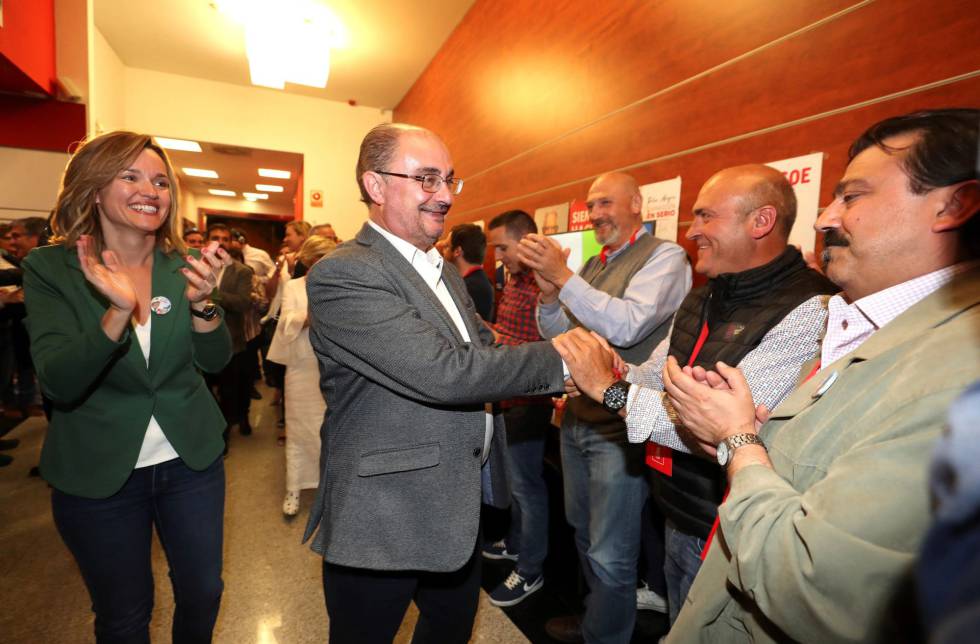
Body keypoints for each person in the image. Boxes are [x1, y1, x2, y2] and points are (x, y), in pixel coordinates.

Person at [657, 109, 980, 642]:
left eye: (852, 197)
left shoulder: (958, 375)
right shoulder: (859, 319)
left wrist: (738, 441)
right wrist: (761, 434)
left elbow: (813, 587)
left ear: (954, 205)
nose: (824, 218)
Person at [303, 122, 566, 644]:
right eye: (426, 180)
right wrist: (562, 362)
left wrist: (558, 372)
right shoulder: (344, 273)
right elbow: (444, 372)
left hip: (454, 505)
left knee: (449, 630)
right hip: (383, 512)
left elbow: (481, 350)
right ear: (375, 186)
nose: (445, 195)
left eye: (449, 179)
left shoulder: (440, 269)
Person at [554, 164, 837, 624]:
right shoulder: (707, 293)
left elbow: (722, 429)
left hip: (732, 530)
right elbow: (657, 371)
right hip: (681, 509)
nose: (692, 231)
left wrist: (608, 391)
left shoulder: (811, 308)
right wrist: (614, 371)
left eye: (706, 217)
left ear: (760, 222)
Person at [21, 130, 233, 642]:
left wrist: (204, 304)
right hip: (100, 473)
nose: (151, 190)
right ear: (93, 189)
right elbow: (59, 381)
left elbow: (215, 361)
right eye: (131, 176)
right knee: (124, 614)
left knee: (203, 592)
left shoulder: (182, 264)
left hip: (190, 461)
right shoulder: (52, 269)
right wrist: (118, 311)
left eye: (161, 181)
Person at [517, 171, 691, 644]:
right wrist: (551, 296)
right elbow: (557, 336)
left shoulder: (666, 257)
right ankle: (598, 618)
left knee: (611, 551)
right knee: (582, 533)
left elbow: (629, 327)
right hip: (577, 419)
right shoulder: (594, 265)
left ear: (638, 203)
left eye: (605, 204)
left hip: (620, 425)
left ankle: (605, 634)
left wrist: (563, 276)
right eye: (591, 205)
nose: (595, 215)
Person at [481, 210, 556, 607]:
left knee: (528, 488)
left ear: (525, 242)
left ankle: (530, 569)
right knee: (516, 482)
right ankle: (515, 542)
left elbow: (540, 348)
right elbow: (514, 336)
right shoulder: (514, 280)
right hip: (510, 397)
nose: (498, 256)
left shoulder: (545, 286)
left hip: (530, 401)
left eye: (502, 247)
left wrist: (492, 338)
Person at [266, 234, 336, 516]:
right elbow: (284, 323)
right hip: (300, 366)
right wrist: (310, 317)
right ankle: (294, 488)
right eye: (318, 258)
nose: (322, 264)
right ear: (308, 260)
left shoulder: (339, 285)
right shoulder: (294, 286)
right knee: (298, 428)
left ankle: (328, 486)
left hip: (331, 368)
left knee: (328, 430)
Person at [207, 224, 255, 441]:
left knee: (229, 392)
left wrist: (212, 293)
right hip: (196, 341)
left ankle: (223, 437)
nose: (220, 242)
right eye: (215, 238)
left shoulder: (241, 271)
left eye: (224, 239)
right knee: (205, 392)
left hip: (230, 342)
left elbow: (243, 303)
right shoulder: (195, 266)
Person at [445, 223, 494, 321]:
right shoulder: (477, 281)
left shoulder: (471, 287)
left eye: (447, 246)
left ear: (457, 251)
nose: (443, 251)